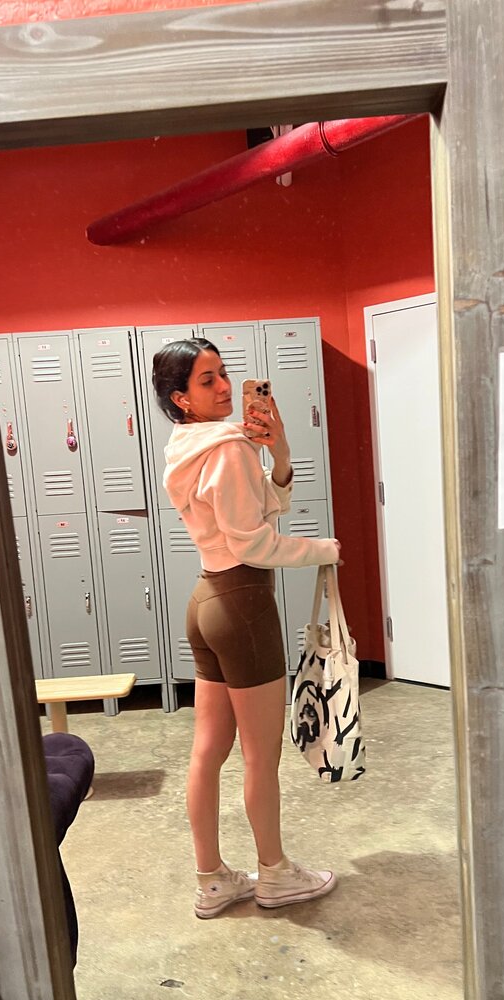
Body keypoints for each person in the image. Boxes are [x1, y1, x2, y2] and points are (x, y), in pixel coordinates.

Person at [152, 337, 342, 919]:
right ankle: (275, 873)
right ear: (181, 398)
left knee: (207, 751)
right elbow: (254, 542)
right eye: (206, 380)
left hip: (206, 600)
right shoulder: (228, 450)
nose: (224, 387)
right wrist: (323, 550)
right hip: (243, 606)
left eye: (223, 374)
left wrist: (278, 451)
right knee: (261, 755)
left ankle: (212, 880)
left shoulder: (190, 446)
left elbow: (267, 504)